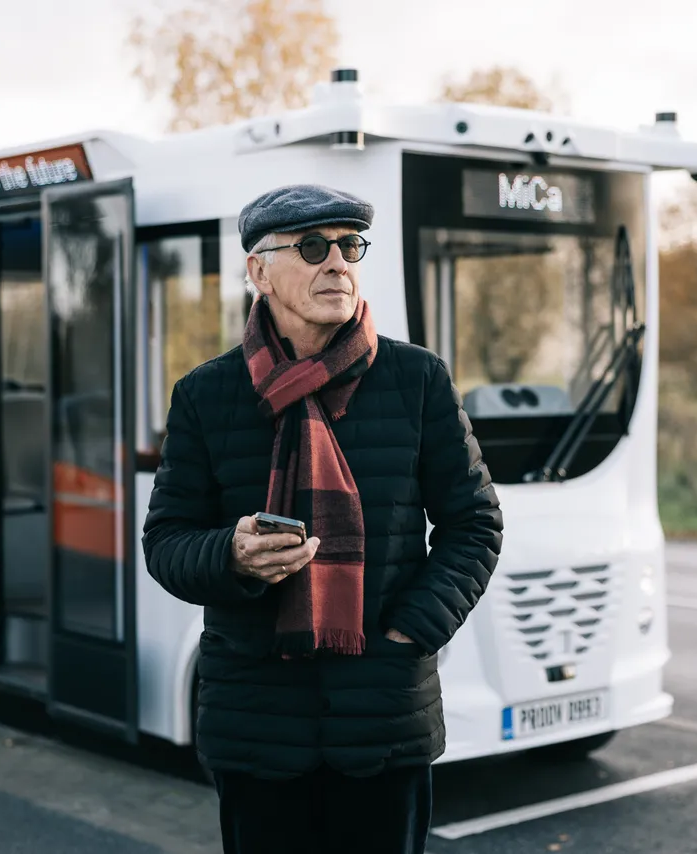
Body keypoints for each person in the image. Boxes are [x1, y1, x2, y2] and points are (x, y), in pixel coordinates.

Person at [142, 183, 503, 854]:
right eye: (312, 247)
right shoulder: (205, 395)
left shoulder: (417, 380)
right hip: (256, 725)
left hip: (383, 716)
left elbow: (475, 523)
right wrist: (230, 554)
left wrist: (410, 633)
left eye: (349, 245)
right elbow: (165, 541)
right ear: (259, 271)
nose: (337, 263)